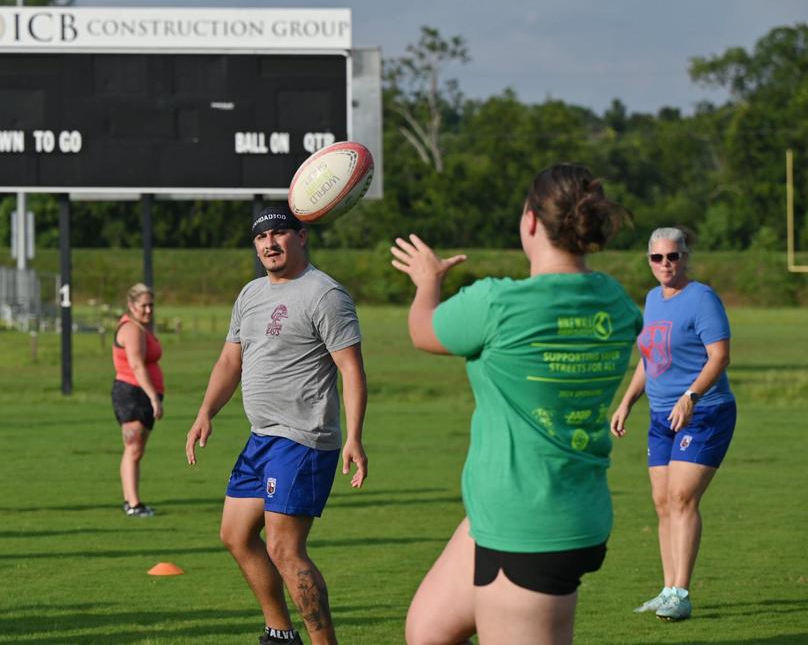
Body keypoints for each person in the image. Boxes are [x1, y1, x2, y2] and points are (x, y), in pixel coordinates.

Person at [393, 163, 642, 645]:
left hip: (530, 524)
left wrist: (428, 280)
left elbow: (422, 331)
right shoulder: (616, 302)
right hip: (539, 507)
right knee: (428, 632)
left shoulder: (496, 304)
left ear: (530, 221)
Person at [186, 205, 369, 645]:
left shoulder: (325, 294)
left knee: (285, 549)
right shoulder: (250, 294)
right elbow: (232, 359)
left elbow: (351, 369)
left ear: (301, 237)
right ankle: (280, 633)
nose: (269, 243)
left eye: (280, 234)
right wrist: (206, 411)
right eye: (261, 238)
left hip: (303, 439)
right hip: (261, 437)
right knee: (234, 535)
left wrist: (355, 437)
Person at [610, 227, 736, 622]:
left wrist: (691, 396)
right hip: (661, 417)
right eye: (657, 258)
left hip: (705, 414)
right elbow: (652, 360)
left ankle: (681, 593)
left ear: (685, 257)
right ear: (649, 260)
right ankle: (667, 590)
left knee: (682, 498)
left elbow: (719, 357)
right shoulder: (651, 300)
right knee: (662, 503)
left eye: (673, 256)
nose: (666, 264)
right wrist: (627, 401)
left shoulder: (702, 298)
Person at [111, 283, 165, 517]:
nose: (148, 310)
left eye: (151, 305)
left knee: (136, 449)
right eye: (143, 305)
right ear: (132, 306)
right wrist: (154, 397)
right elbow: (136, 364)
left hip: (139, 393)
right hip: (132, 394)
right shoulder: (132, 329)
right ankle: (133, 504)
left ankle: (130, 501)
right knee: (133, 448)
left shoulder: (141, 328)